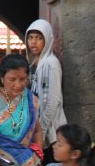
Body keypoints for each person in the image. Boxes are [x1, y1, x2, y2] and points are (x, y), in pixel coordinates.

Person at [26, 19, 67, 163]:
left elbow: (53, 101)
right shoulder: (34, 62)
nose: (33, 42)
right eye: (31, 37)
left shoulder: (51, 63)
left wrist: (41, 130)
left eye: (38, 38)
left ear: (47, 39)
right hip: (37, 128)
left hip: (51, 132)